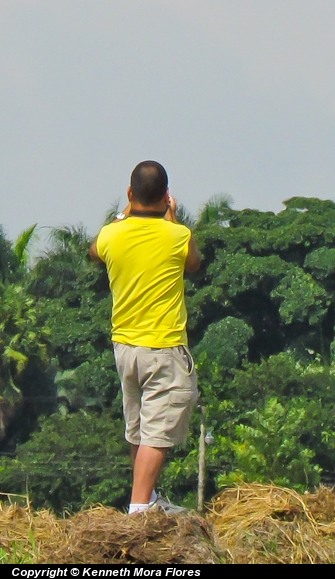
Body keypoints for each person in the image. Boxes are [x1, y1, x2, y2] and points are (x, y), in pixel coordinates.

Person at [89, 160, 201, 514]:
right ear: (167, 196)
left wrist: (124, 216)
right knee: (158, 433)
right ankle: (139, 508)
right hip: (164, 348)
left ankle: (146, 499)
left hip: (126, 349)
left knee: (138, 429)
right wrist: (173, 219)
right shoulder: (178, 236)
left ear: (129, 193)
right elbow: (194, 263)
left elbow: (93, 253)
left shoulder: (110, 235)